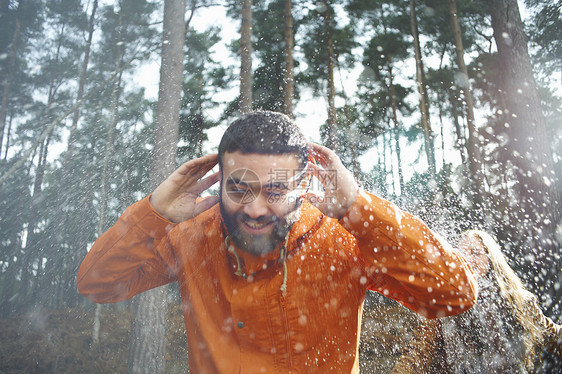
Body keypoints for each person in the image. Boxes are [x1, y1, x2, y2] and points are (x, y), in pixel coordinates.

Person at [77, 111, 478, 373]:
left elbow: (455, 294)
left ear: (303, 185)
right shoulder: (192, 236)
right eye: (239, 189)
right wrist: (155, 214)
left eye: (274, 190)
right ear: (219, 183)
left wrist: (359, 209)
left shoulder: (341, 237)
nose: (254, 209)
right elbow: (97, 283)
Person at [391, 229, 562, 374]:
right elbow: (419, 351)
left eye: (475, 253)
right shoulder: (444, 305)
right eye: (461, 254)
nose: (468, 260)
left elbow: (551, 334)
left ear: (491, 259)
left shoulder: (517, 299)